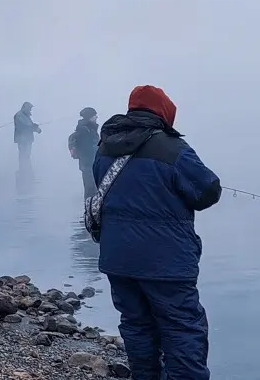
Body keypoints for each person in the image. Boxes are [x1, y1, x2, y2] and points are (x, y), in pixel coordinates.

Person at [94, 85, 221, 380]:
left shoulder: (104, 147)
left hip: (118, 258)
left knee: (137, 325)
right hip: (166, 262)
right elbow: (207, 192)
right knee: (182, 328)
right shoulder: (172, 149)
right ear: (164, 112)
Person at [69, 107, 99, 198]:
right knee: (90, 189)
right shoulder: (85, 130)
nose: (96, 117)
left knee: (92, 188)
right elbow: (88, 148)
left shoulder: (89, 128)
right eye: (94, 116)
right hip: (88, 163)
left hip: (90, 163)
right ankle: (89, 209)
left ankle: (90, 208)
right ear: (89, 117)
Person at [13, 101, 41, 170]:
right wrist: (34, 127)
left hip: (28, 140)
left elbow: (29, 126)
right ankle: (23, 170)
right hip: (22, 140)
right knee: (23, 155)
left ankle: (27, 170)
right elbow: (23, 127)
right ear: (24, 107)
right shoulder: (19, 115)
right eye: (29, 108)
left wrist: (36, 129)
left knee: (27, 155)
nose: (30, 110)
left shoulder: (26, 115)